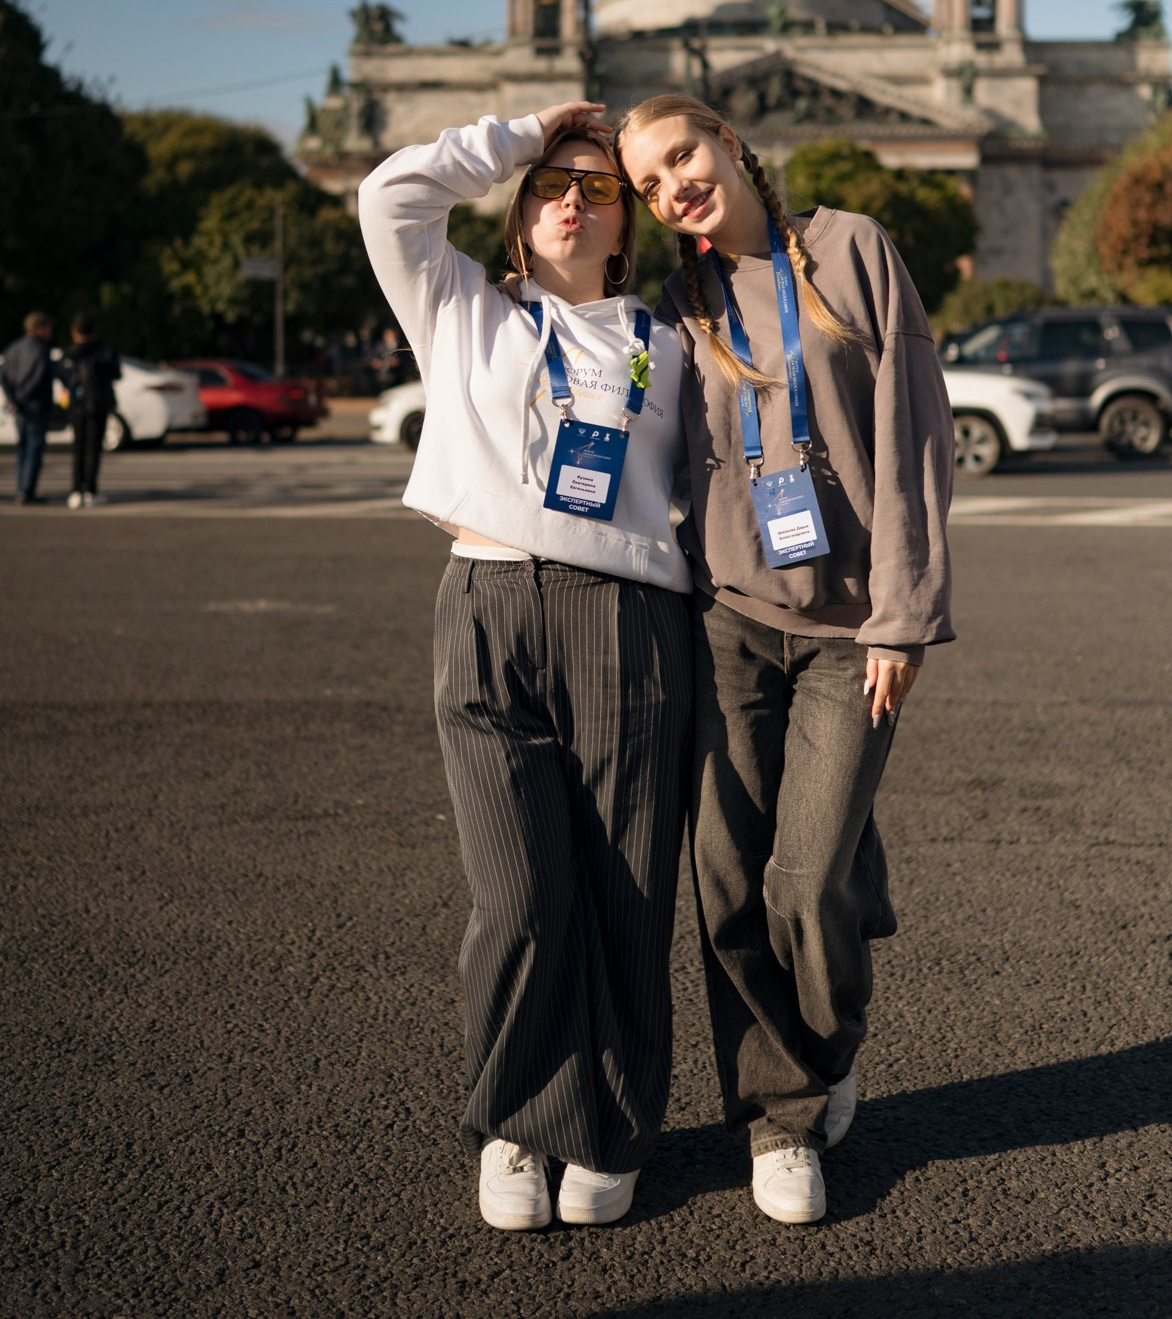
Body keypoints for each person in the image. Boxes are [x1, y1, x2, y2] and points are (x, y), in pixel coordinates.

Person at [615, 93, 954, 1226]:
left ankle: (823, 1031)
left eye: (683, 157)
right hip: (724, 620)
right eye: (650, 184)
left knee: (805, 882)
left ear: (727, 138)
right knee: (727, 874)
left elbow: (912, 435)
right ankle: (779, 1117)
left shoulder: (851, 246)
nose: (675, 188)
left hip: (851, 629)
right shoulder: (679, 297)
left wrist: (902, 614)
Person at [358, 103, 692, 1232]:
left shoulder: (673, 339)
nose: (569, 200)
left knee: (628, 894)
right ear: (516, 208)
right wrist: (521, 132)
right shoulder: (457, 308)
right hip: (487, 602)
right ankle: (512, 1120)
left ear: (625, 226)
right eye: (551, 183)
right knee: (519, 894)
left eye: (598, 190)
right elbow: (388, 197)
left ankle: (611, 1124)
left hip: (628, 617)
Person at [64, 314, 121, 509]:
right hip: (98, 403)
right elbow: (116, 373)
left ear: (75, 332)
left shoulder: (70, 353)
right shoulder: (104, 350)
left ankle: (75, 490)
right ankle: (90, 489)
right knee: (93, 448)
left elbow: (63, 377)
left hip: (78, 405)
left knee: (78, 447)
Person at [2, 311, 59, 505]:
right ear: (39, 328)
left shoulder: (14, 348)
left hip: (20, 406)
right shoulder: (40, 349)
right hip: (35, 406)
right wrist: (23, 398)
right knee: (34, 449)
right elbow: (37, 377)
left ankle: (21, 489)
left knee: (23, 448)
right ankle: (27, 491)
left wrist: (13, 399)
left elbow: (4, 375)